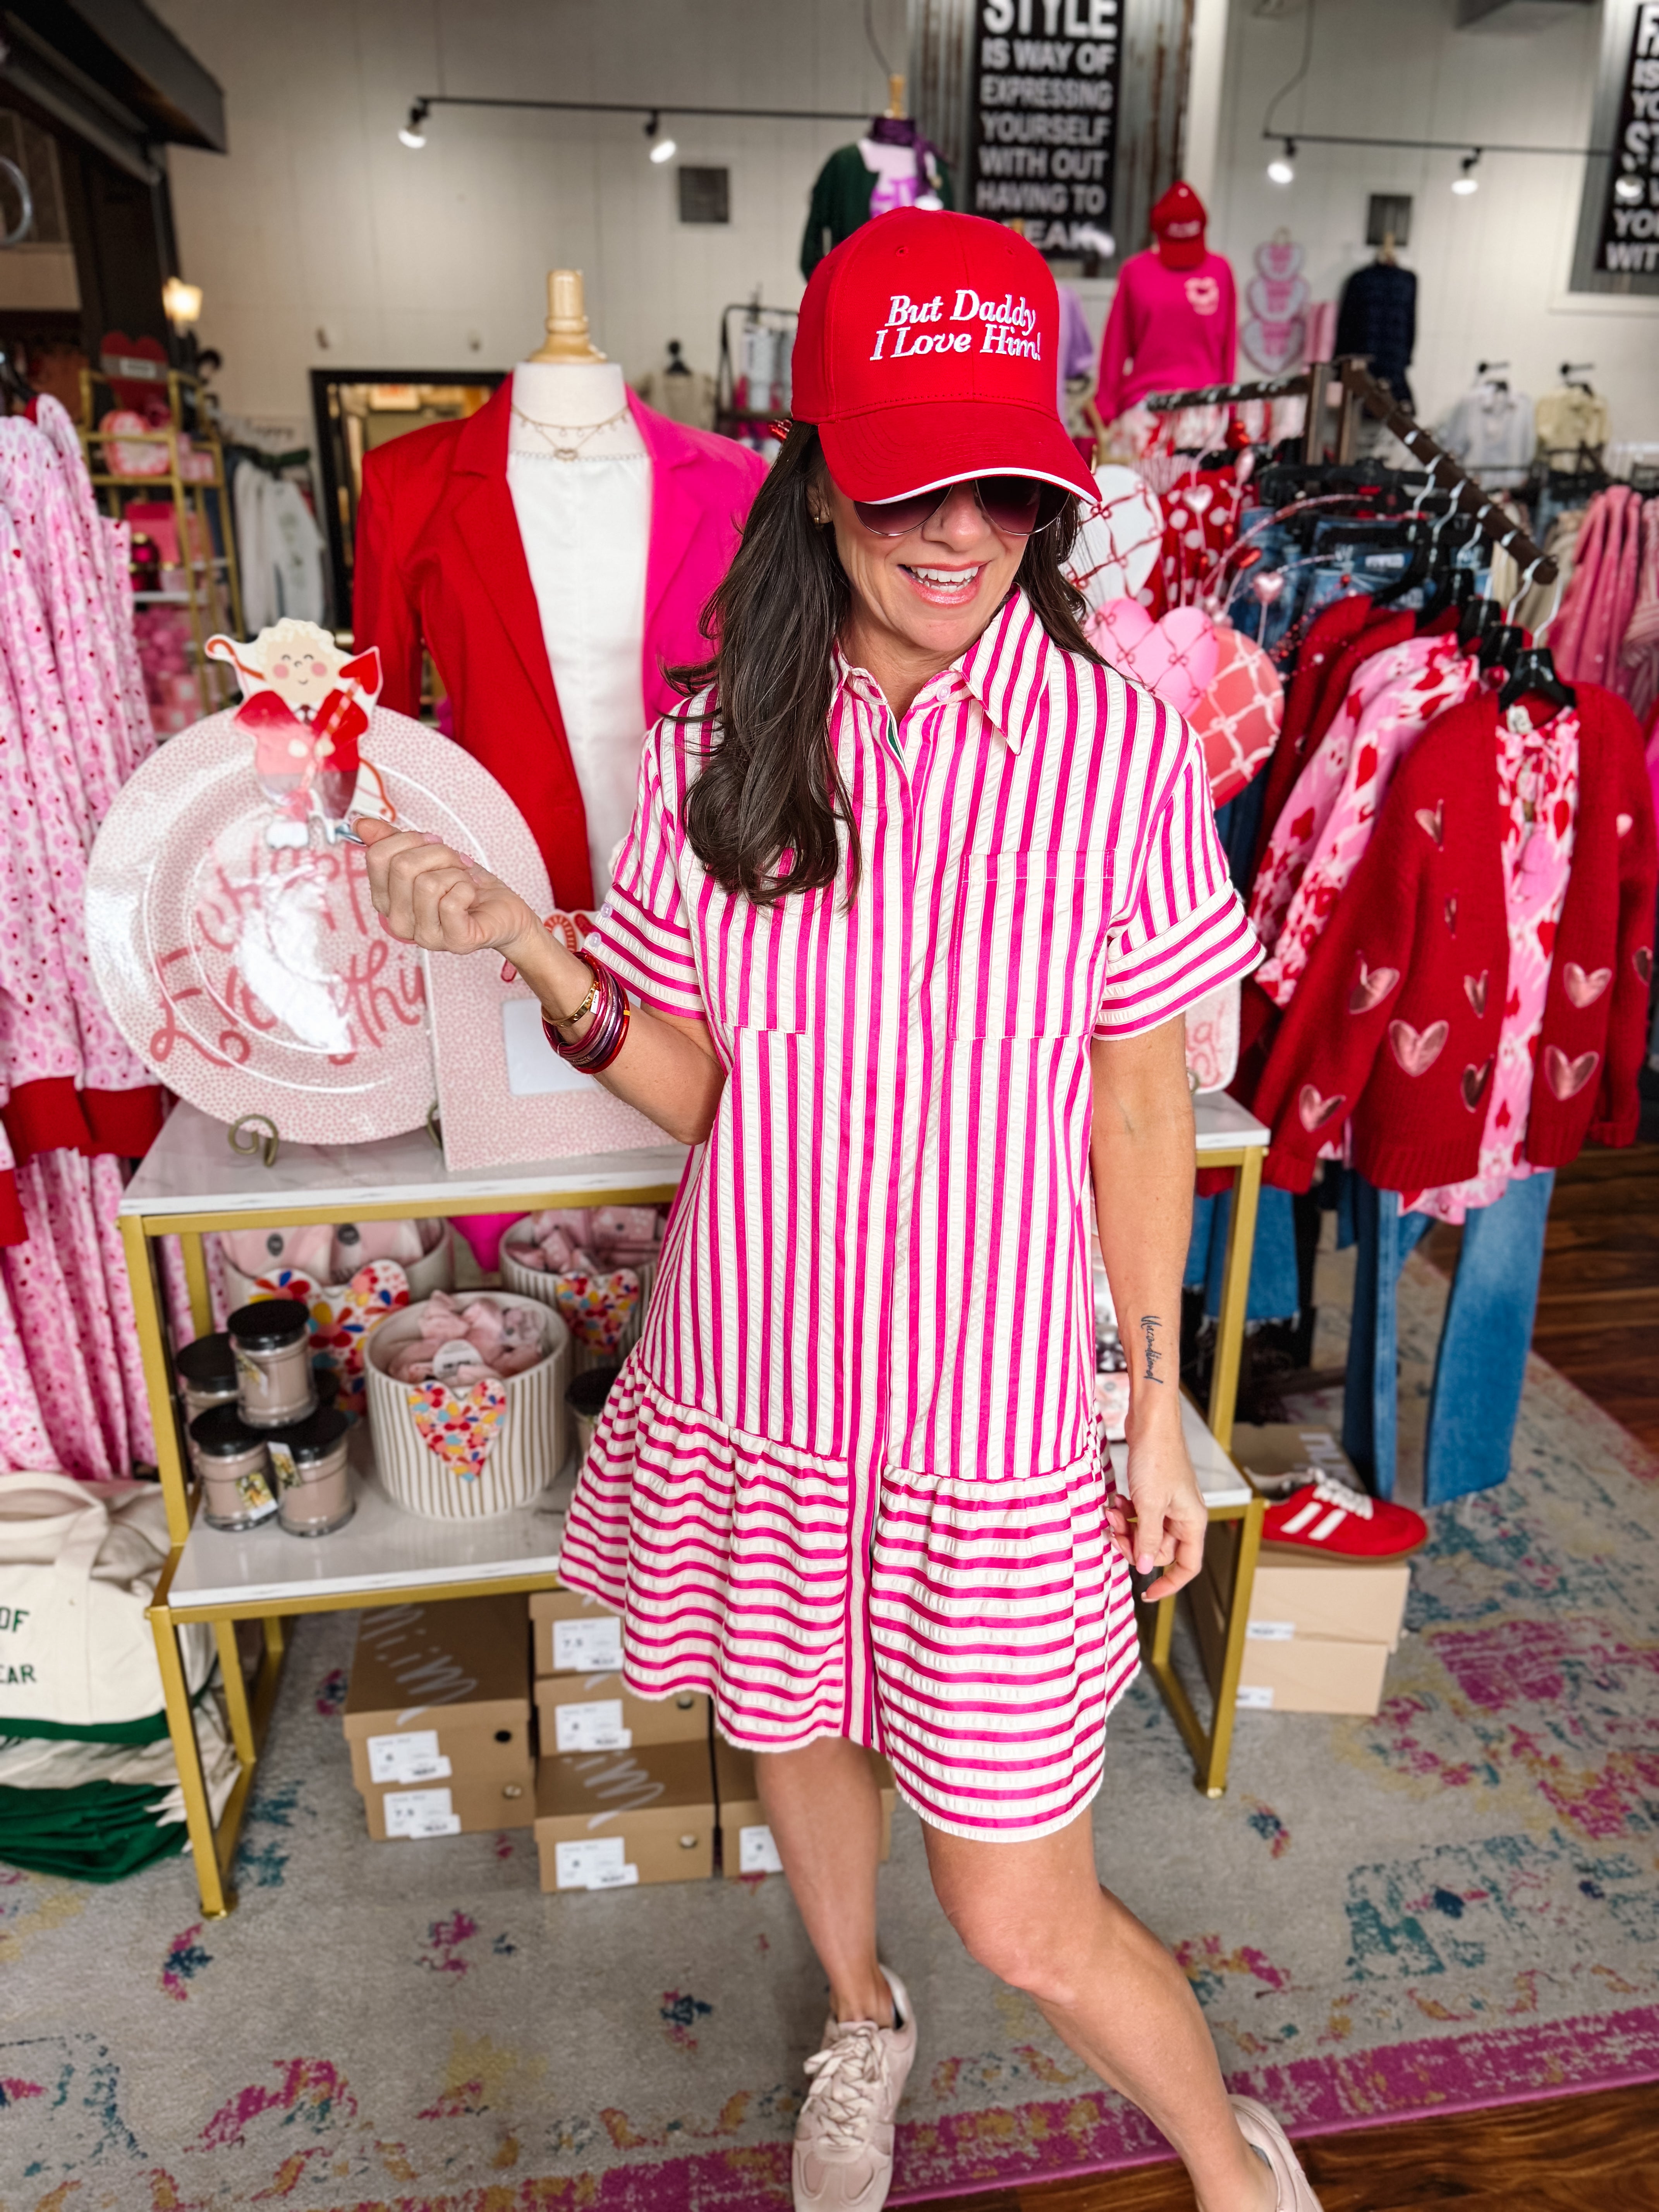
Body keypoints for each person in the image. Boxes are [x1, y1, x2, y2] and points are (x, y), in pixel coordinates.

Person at [359, 210, 1319, 2212]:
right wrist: (533, 948)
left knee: (1026, 1916)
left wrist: (1152, 1405)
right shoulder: (720, 740)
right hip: (768, 1389)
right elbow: (719, 1093)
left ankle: (1232, 2173)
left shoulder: (1113, 752)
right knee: (798, 1733)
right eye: (910, 483)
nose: (961, 533)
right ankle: (858, 2017)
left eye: (1007, 487)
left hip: (990, 1428)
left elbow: (1140, 1098)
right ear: (816, 476)